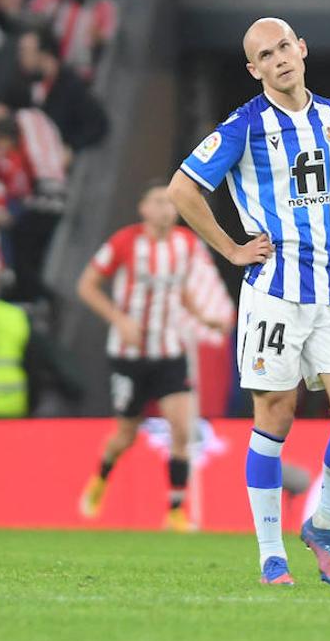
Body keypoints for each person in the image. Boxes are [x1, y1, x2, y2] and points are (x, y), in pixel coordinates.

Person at [167, 16, 330, 587]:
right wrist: (232, 249)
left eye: (284, 47)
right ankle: (270, 554)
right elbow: (182, 188)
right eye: (265, 55)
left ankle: (323, 526)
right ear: (253, 70)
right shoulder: (244, 126)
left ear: (301, 49)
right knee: (275, 417)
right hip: (275, 294)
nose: (279, 58)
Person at [76, 183, 228, 533]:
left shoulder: (185, 244)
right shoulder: (125, 242)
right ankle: (101, 476)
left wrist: (204, 318)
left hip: (170, 352)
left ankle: (175, 511)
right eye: (157, 201)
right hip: (129, 355)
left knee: (182, 429)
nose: (164, 208)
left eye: (169, 202)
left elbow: (180, 290)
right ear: (143, 208)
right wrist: (119, 320)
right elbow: (86, 285)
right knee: (125, 435)